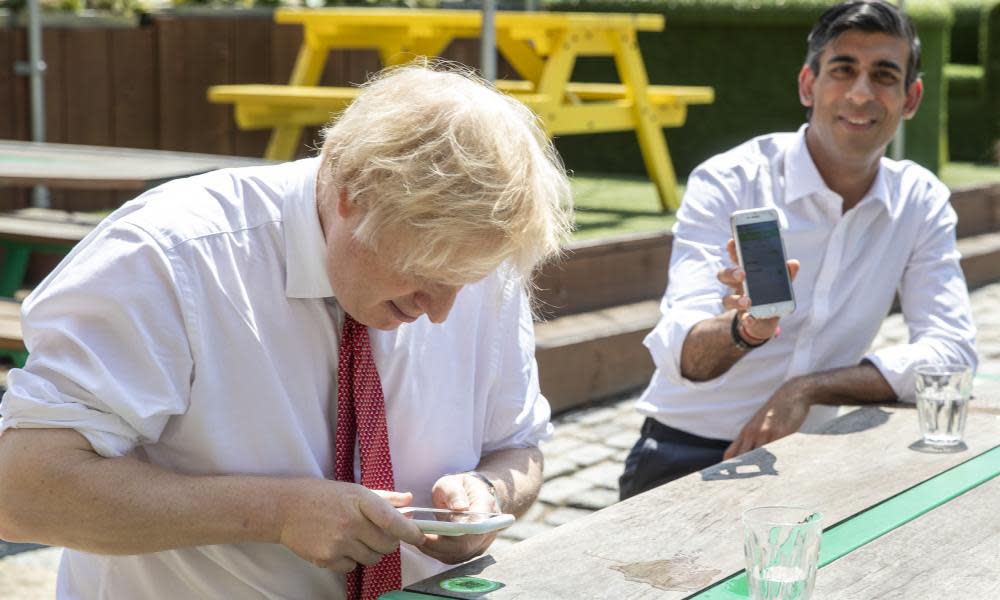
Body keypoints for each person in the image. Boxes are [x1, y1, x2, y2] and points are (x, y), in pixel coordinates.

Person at [0, 64, 573, 599]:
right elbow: (22, 489)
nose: (444, 311)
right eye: (424, 272)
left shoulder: (479, 257)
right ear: (351, 193)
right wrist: (273, 513)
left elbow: (518, 448)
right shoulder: (168, 258)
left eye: (464, 281)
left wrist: (491, 498)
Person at [619, 0, 977, 500]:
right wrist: (744, 330)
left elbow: (953, 356)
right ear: (808, 85)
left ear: (910, 97)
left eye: (884, 75)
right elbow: (683, 355)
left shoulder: (919, 201)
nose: (860, 93)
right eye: (843, 69)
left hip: (814, 454)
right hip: (686, 454)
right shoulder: (730, 181)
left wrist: (809, 389)